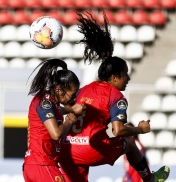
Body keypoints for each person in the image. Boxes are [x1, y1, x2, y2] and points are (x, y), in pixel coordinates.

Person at [59, 11, 170, 182]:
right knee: (130, 142)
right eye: (125, 74)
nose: (128, 78)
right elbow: (118, 130)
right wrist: (140, 130)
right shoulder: (115, 95)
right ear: (114, 77)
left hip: (68, 149)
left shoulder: (86, 88)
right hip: (91, 149)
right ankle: (149, 179)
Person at [22, 58, 85, 182]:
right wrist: (70, 120)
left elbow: (58, 110)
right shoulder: (45, 102)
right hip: (43, 164)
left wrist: (71, 110)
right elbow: (56, 134)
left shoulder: (48, 101)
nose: (72, 99)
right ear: (59, 90)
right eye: (72, 95)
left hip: (34, 165)